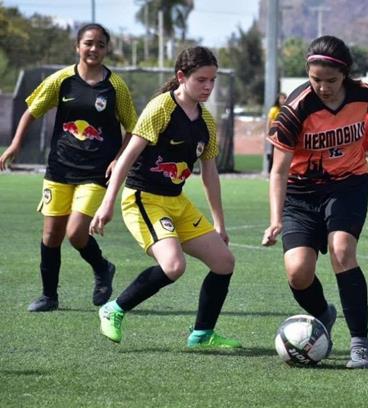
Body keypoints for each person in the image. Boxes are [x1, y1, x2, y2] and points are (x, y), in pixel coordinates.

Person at [89, 46, 240, 349]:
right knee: (174, 265)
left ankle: (202, 334)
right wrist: (106, 206)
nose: (208, 87)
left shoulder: (206, 122)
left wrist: (219, 224)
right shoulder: (161, 108)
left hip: (176, 201)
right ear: (181, 77)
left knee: (224, 262)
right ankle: (114, 308)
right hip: (144, 198)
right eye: (201, 80)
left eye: (212, 80)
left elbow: (210, 174)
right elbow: (126, 159)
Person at [0, 24, 137, 312]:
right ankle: (49, 296)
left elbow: (132, 128)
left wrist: (117, 159)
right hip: (60, 168)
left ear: (106, 49)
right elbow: (30, 112)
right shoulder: (61, 80)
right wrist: (14, 146)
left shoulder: (115, 87)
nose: (94, 49)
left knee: (76, 232)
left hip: (96, 172)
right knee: (51, 235)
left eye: (101, 44)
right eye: (88, 43)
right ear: (77, 46)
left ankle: (102, 268)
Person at [262, 35, 368, 369]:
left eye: (331, 80)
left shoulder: (364, 95)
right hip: (300, 196)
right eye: (315, 80)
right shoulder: (294, 110)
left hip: (348, 186)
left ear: (346, 75)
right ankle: (324, 313)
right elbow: (278, 171)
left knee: (342, 251)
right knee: (298, 272)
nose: (323, 87)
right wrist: (275, 219)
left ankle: (360, 342)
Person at [264, 92, 287, 173]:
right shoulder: (274, 109)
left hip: (283, 134)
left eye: (284, 98)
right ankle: (270, 171)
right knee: (274, 152)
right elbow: (269, 121)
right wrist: (268, 131)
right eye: (281, 98)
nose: (283, 100)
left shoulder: (286, 109)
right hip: (275, 134)